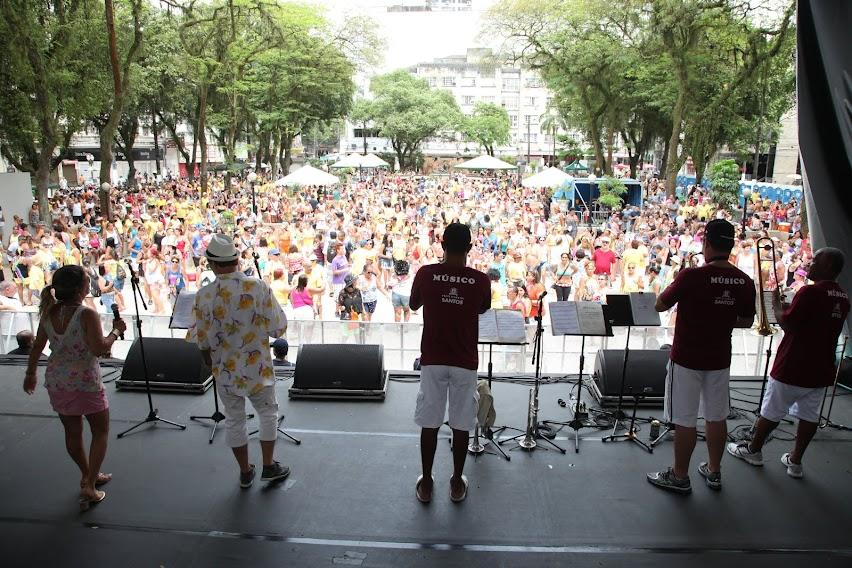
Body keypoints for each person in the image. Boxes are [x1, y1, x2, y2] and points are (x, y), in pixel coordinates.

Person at [647, 219, 756, 494]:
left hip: (686, 358)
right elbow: (745, 321)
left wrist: (678, 280)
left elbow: (660, 304)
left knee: (685, 418)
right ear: (731, 245)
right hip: (719, 358)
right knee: (716, 416)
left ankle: (680, 476)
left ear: (706, 244)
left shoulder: (691, 276)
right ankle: (714, 470)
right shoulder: (744, 281)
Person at [727, 248, 849, 479]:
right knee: (810, 415)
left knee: (771, 411)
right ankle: (795, 461)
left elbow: (788, 323)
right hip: (821, 368)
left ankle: (753, 451)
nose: (809, 264)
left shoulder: (810, 292)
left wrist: (775, 305)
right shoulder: (843, 297)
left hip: (793, 364)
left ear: (829, 267)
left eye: (816, 261)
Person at [188, 234, 290, 488]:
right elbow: (279, 328)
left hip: (224, 369)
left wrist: (212, 365)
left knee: (234, 419)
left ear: (212, 263)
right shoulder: (258, 288)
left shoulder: (204, 296)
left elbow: (201, 342)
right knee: (268, 413)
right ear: (236, 259)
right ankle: (269, 465)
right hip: (259, 368)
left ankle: (245, 472)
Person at [22, 265, 127, 509]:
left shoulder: (49, 312)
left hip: (58, 380)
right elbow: (99, 348)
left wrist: (30, 374)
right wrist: (116, 331)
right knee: (100, 431)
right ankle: (89, 485)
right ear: (81, 288)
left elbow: (38, 346)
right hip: (85, 382)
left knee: (72, 433)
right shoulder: (86, 315)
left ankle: (88, 475)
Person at [410, 222, 490, 504]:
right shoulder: (481, 280)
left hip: (433, 358)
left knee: (429, 423)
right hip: (465, 361)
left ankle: (427, 481)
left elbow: (413, 304)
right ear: (469, 248)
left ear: (442, 245)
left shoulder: (426, 273)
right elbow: (481, 307)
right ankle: (456, 482)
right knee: (461, 424)